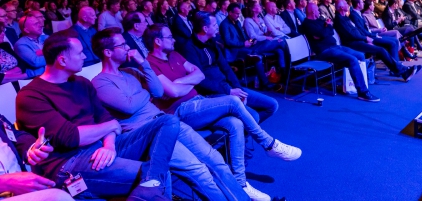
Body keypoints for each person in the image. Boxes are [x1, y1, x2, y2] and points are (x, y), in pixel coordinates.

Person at [144, 24, 301, 201]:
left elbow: (200, 75)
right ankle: (269, 144)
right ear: (157, 41)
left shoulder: (175, 55)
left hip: (199, 102)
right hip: (180, 111)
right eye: (169, 37)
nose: (174, 40)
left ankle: (241, 183)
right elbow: (173, 92)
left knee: (236, 123)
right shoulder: (150, 64)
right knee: (233, 101)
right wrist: (185, 83)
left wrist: (179, 82)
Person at [90, 28, 250, 201]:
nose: (128, 47)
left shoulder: (132, 72)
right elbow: (129, 106)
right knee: (199, 171)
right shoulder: (100, 82)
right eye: (122, 45)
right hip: (150, 133)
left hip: (168, 122)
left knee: (216, 160)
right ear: (108, 52)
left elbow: (158, 91)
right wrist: (147, 93)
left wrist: (143, 64)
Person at [16, 32, 179, 201]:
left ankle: (151, 178)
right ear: (62, 60)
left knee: (168, 121)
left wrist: (109, 146)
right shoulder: (31, 95)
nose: (85, 56)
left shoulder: (81, 82)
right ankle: (152, 180)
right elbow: (72, 138)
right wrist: (110, 127)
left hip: (103, 147)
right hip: (71, 162)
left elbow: (107, 119)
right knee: (160, 177)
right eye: (79, 53)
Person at [185, 12, 279, 124]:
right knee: (253, 116)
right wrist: (228, 91)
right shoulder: (189, 48)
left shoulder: (211, 43)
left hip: (228, 87)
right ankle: (244, 128)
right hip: (213, 93)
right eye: (214, 25)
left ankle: (245, 129)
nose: (217, 27)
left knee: (272, 105)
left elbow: (226, 68)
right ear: (205, 28)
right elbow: (200, 81)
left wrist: (238, 88)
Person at [300, 3, 381, 102]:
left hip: (335, 47)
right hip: (324, 51)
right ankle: (363, 92)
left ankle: (361, 83)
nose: (319, 11)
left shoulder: (319, 20)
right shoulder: (307, 24)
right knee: (352, 60)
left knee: (360, 55)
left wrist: (326, 28)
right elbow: (322, 34)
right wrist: (326, 27)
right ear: (312, 11)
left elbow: (330, 32)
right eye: (317, 9)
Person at [333, 0, 419, 81]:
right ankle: (402, 71)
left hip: (359, 40)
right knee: (381, 50)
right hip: (353, 44)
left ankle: (402, 71)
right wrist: (366, 39)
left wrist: (365, 39)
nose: (348, 5)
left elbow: (356, 32)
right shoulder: (339, 19)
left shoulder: (345, 17)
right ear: (341, 7)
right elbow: (352, 34)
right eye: (345, 4)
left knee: (384, 48)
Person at [0, 114, 73, 200]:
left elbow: (15, 136)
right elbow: (71, 136)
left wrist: (32, 149)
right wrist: (5, 183)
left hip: (23, 190)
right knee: (58, 197)